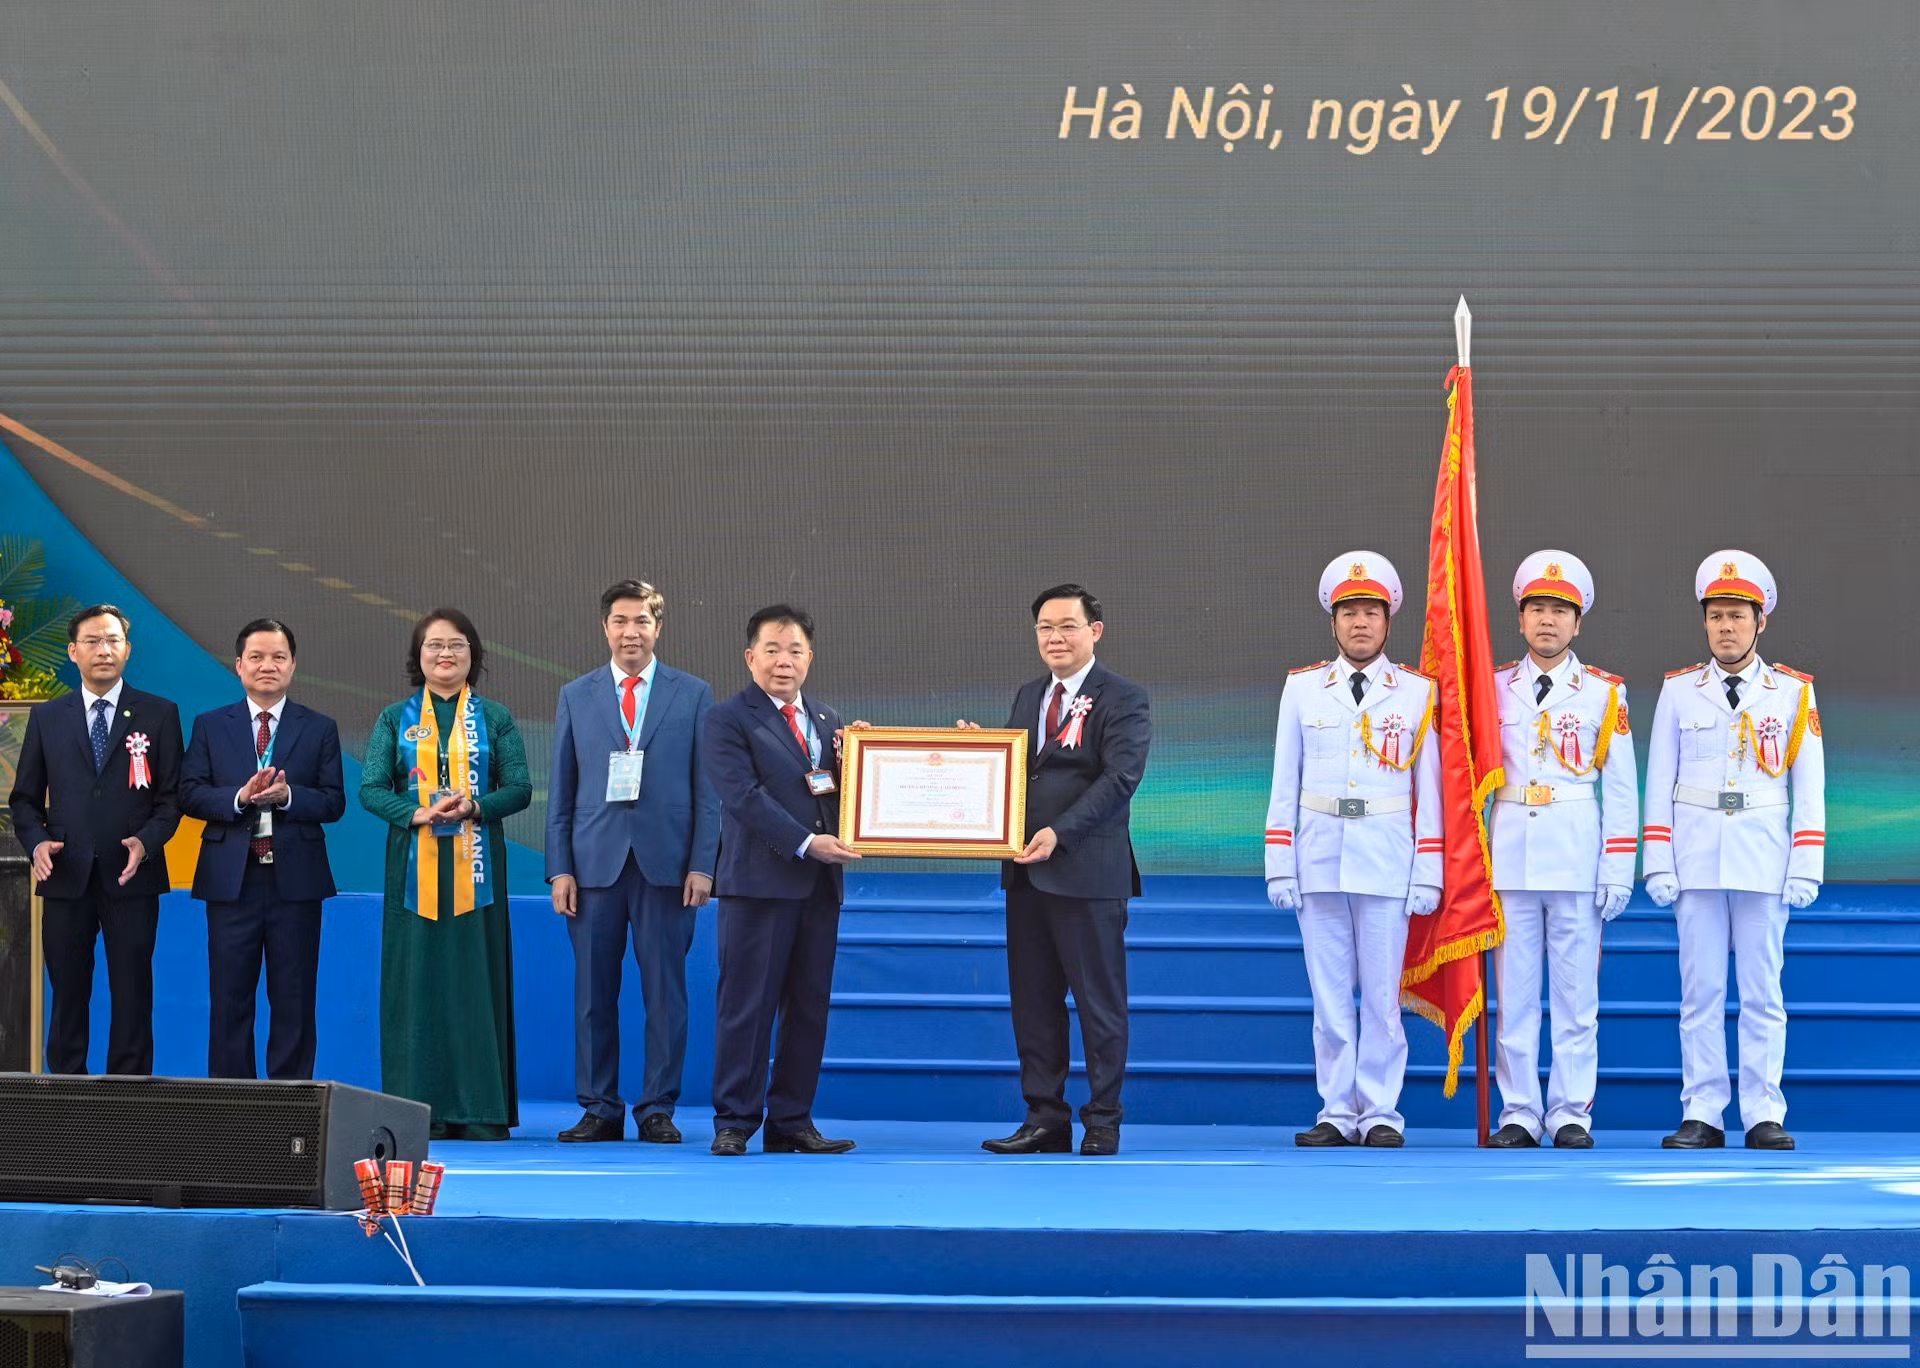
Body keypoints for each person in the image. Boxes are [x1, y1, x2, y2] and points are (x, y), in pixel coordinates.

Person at [1643, 551, 1824, 1152]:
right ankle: (1703, 1112)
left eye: (1737, 616)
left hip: (1764, 860)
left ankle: (1764, 1112)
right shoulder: (1678, 691)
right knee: (1700, 993)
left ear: (1760, 622)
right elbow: (1659, 780)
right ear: (1704, 622)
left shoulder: (1792, 692)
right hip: (1695, 860)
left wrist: (1806, 863)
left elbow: (1809, 787)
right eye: (1716, 616)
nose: (1726, 627)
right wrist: (1658, 860)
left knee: (1763, 993)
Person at [1265, 554, 1442, 1148]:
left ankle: (1382, 1112)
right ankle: (1337, 1110)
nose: (1359, 623)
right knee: (1330, 996)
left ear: (1388, 622)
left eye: (1371, 612)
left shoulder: (1417, 693)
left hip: (1388, 859)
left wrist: (1429, 869)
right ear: (1333, 622)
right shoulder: (1302, 688)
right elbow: (1283, 780)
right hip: (1319, 857)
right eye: (1349, 613)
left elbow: (1431, 790)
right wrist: (1279, 861)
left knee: (1384, 999)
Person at [975, 584, 1151, 1159]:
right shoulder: (1029, 695)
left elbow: (1119, 780)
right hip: (1026, 873)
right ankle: (1044, 1117)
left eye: (1067, 626)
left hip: (1088, 875)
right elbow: (1019, 770)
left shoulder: (1123, 697)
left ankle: (1103, 1119)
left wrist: (1061, 834)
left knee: (1099, 1003)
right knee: (1033, 1001)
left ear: (1094, 631)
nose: (1055, 637)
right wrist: (980, 755)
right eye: (1045, 628)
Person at [547, 580, 721, 1143]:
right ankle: (599, 1107)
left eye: (642, 621)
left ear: (658, 628)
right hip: (593, 867)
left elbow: (707, 790)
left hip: (668, 869)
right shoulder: (577, 694)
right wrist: (560, 869)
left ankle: (656, 1109)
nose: (631, 631)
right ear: (605, 627)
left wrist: (703, 863)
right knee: (593, 995)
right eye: (620, 621)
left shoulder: (692, 693)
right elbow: (562, 790)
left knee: (666, 995)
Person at [358, 609, 531, 1140]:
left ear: (473, 654)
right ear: (419, 657)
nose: (446, 655)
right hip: (411, 873)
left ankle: (479, 1110)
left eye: (456, 645)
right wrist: (416, 814)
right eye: (434, 646)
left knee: (473, 982)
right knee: (416, 984)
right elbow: (371, 788)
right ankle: (415, 1111)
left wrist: (475, 806)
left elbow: (519, 787)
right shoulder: (394, 718)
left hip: (476, 869)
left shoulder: (496, 717)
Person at [1484, 554, 1638, 1150]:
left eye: (1559, 611)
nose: (1547, 621)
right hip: (1513, 856)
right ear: (1521, 619)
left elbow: (1620, 788)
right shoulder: (1493, 686)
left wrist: (1618, 867)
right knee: (1516, 997)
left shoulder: (1603, 692)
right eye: (1537, 609)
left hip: (1576, 854)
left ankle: (1571, 1111)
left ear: (1578, 623)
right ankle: (1519, 1111)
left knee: (1576, 998)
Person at [702, 605, 860, 1157]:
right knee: (747, 1004)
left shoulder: (828, 720)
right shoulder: (727, 719)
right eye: (772, 650)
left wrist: (865, 757)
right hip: (760, 886)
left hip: (819, 887)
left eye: (795, 650)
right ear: (750, 657)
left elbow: (844, 794)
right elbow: (743, 797)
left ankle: (792, 1120)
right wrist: (805, 842)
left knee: (809, 1004)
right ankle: (735, 1121)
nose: (783, 661)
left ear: (810, 658)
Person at [8, 604, 182, 1074]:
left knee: (132, 995)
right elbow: (24, 800)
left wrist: (147, 841)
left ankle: (128, 1103)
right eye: (92, 641)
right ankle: (67, 1101)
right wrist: (37, 843)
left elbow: (171, 800)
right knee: (67, 995)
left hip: (133, 876)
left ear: (128, 650)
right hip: (66, 876)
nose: (103, 650)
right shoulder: (47, 718)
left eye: (113, 641)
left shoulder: (160, 714)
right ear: (72, 651)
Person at [179, 619, 346, 1080]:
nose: (267, 666)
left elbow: (334, 801)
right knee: (229, 998)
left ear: (293, 665)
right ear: (238, 665)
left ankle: (292, 1104)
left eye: (278, 657)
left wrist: (288, 797)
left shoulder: (319, 728)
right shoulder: (212, 725)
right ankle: (234, 1107)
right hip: (231, 881)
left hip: (295, 882)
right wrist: (240, 798)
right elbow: (189, 792)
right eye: (257, 657)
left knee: (293, 997)